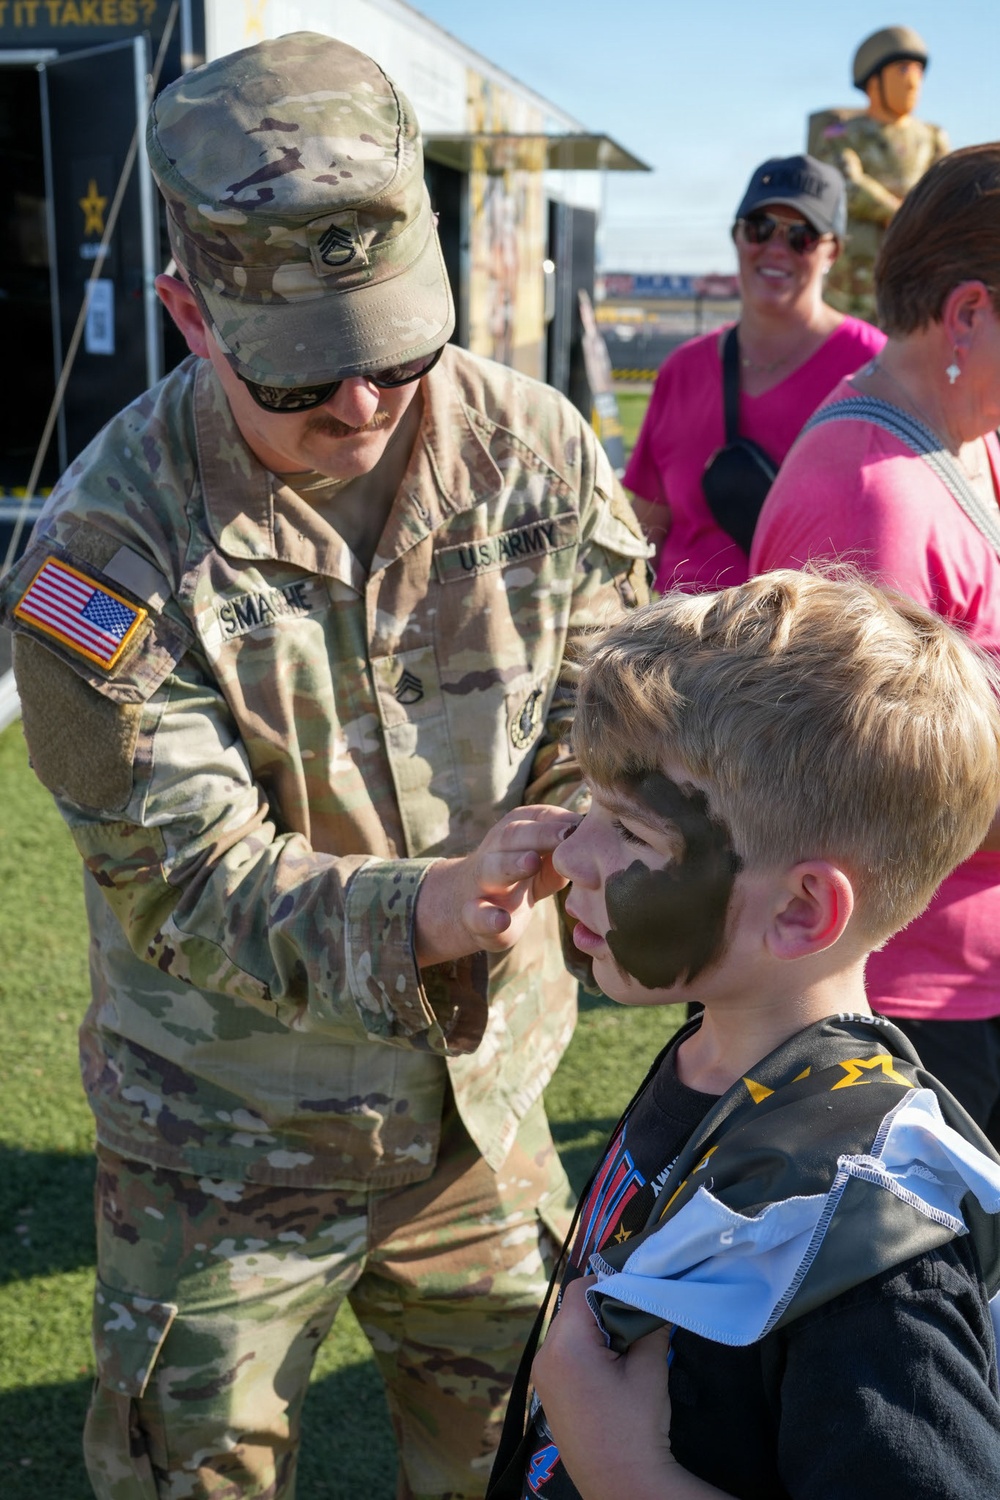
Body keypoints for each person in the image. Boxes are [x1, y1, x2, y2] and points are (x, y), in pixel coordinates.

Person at [0, 31, 651, 1500]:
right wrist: (426, 910)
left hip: (481, 1122)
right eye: (305, 379)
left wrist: (586, 815)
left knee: (521, 1471)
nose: (362, 408)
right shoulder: (103, 555)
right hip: (223, 1154)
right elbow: (179, 877)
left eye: (398, 355)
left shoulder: (537, 453)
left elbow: (607, 703)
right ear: (189, 312)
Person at [487, 570, 1000, 1500]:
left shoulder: (875, 1236)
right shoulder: (718, 1057)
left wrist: (624, 1472)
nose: (573, 856)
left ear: (803, 911)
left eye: (633, 835)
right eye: (591, 811)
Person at [751, 143, 1000, 1146]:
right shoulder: (871, 495)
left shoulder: (963, 434)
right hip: (911, 1012)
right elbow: (876, 808)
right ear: (969, 312)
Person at [624, 156, 883, 596]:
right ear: (738, 236)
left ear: (832, 252)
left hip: (802, 656)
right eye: (760, 228)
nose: (776, 249)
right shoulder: (683, 371)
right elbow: (644, 532)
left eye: (801, 236)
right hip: (680, 652)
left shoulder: (874, 367)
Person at [813, 25, 948, 322]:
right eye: (902, 70)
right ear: (874, 82)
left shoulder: (932, 137)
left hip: (916, 282)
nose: (913, 83)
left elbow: (949, 191)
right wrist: (903, 213)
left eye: (918, 72)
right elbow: (846, 184)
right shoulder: (842, 135)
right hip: (854, 287)